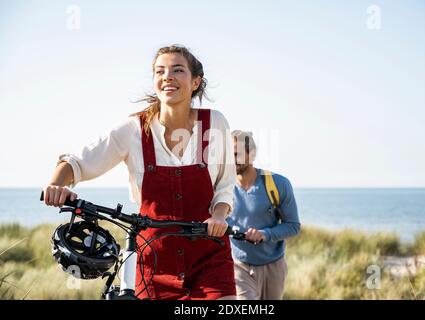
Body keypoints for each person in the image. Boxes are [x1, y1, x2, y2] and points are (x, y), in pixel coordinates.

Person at [42, 45, 237, 300]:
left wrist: (219, 216)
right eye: (160, 71)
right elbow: (79, 161)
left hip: (209, 255)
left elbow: (225, 185)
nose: (167, 76)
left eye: (178, 70)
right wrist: (57, 184)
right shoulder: (135, 129)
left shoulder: (215, 123)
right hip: (153, 260)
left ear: (195, 81)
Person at [226, 130, 300, 300]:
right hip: (239, 266)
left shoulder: (278, 184)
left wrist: (265, 234)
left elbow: (293, 226)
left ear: (251, 154)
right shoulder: (222, 187)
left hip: (273, 265)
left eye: (236, 154)